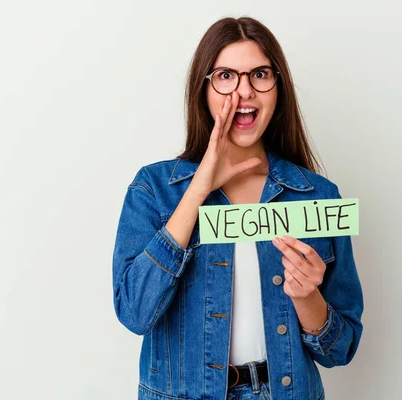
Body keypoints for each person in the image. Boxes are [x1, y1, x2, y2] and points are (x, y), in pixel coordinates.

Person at [112, 16, 364, 400]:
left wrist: (307, 296)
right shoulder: (154, 189)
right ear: (204, 89)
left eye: (259, 74)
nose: (243, 91)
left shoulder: (318, 196)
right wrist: (198, 189)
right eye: (226, 76)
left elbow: (341, 349)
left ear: (278, 88)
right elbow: (134, 312)